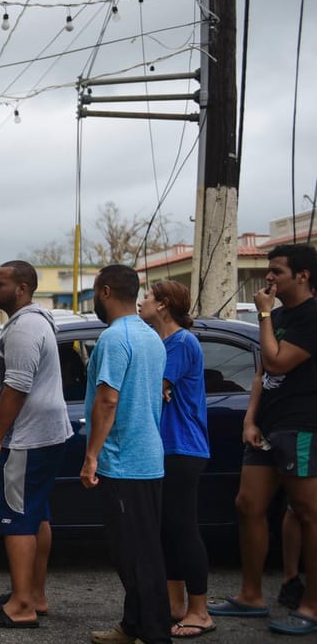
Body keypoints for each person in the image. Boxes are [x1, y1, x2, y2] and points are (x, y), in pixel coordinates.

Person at [208, 243, 317, 635]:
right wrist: (250, 420)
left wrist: (265, 314)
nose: (268, 277)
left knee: (307, 513)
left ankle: (311, 606)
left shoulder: (309, 316)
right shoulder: (282, 315)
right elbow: (261, 374)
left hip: (301, 425)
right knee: (247, 504)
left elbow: (277, 361)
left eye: (277, 271)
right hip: (268, 427)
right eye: (268, 270)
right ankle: (251, 596)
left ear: (302, 275)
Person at [0, 260, 71, 629]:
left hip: (26, 439)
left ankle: (22, 606)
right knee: (36, 515)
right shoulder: (34, 322)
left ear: (23, 289)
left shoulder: (25, 329)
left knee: (16, 519)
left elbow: (17, 386)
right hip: (44, 435)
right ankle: (33, 594)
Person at [80, 264, 169, 644]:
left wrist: (91, 456)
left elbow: (108, 399)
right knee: (136, 551)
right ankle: (132, 626)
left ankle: (154, 635)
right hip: (147, 459)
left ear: (104, 292)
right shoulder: (151, 337)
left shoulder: (115, 339)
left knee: (136, 557)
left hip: (124, 462)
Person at [138, 279, 214, 638]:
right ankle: (174, 605)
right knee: (167, 529)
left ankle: (200, 611)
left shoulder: (182, 342)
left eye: (148, 298)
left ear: (164, 305)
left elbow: (156, 388)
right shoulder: (165, 342)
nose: (142, 303)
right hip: (167, 447)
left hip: (183, 447)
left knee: (183, 529)